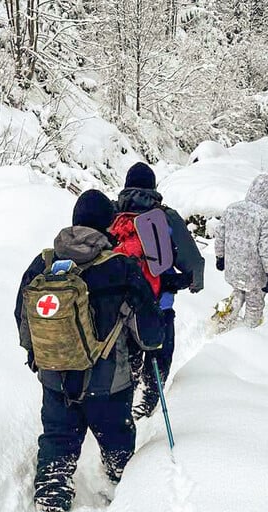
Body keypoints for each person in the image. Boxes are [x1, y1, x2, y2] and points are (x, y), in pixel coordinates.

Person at [15, 189, 165, 512]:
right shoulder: (121, 266)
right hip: (109, 382)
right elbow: (150, 332)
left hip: (55, 378)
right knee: (116, 439)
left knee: (58, 439)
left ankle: (51, 506)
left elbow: (23, 318)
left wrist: (40, 359)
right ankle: (120, 488)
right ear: (108, 223)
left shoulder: (43, 263)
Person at [112, 162, 205, 420]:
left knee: (127, 355)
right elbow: (193, 262)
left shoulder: (114, 214)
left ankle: (124, 396)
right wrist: (193, 283)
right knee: (160, 354)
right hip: (158, 304)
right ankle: (149, 401)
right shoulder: (165, 217)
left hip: (120, 307)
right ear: (153, 187)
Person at [213, 173, 268, 329]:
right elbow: (266, 249)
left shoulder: (232, 209)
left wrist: (220, 257)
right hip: (255, 273)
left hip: (234, 267)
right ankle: (247, 332)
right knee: (254, 304)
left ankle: (220, 318)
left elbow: (220, 235)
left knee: (237, 292)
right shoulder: (267, 218)